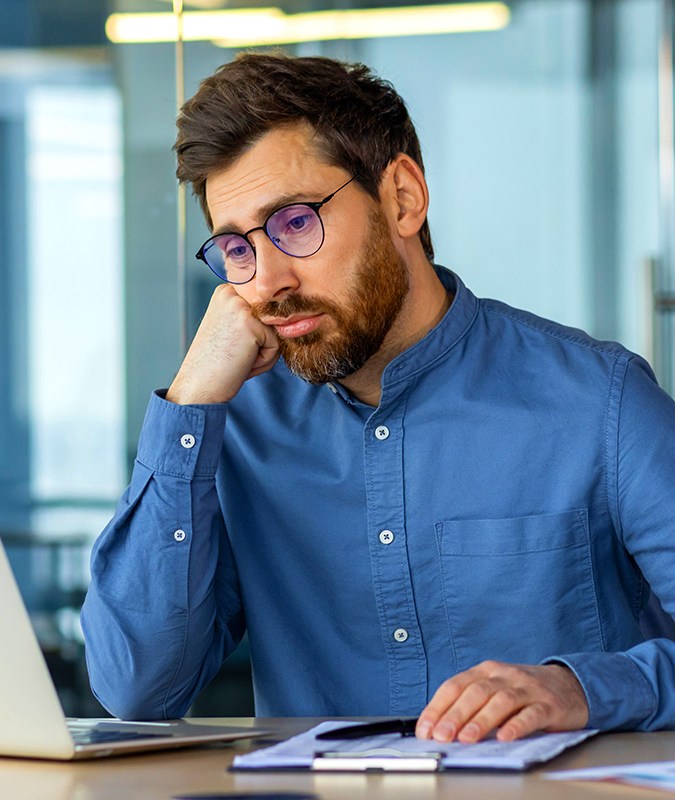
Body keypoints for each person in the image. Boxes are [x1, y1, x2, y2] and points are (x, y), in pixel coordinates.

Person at [81, 53, 675, 745]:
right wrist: (189, 402)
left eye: (294, 223)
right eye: (236, 248)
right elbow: (137, 688)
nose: (266, 281)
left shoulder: (599, 403)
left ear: (402, 198)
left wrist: (581, 689)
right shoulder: (235, 426)